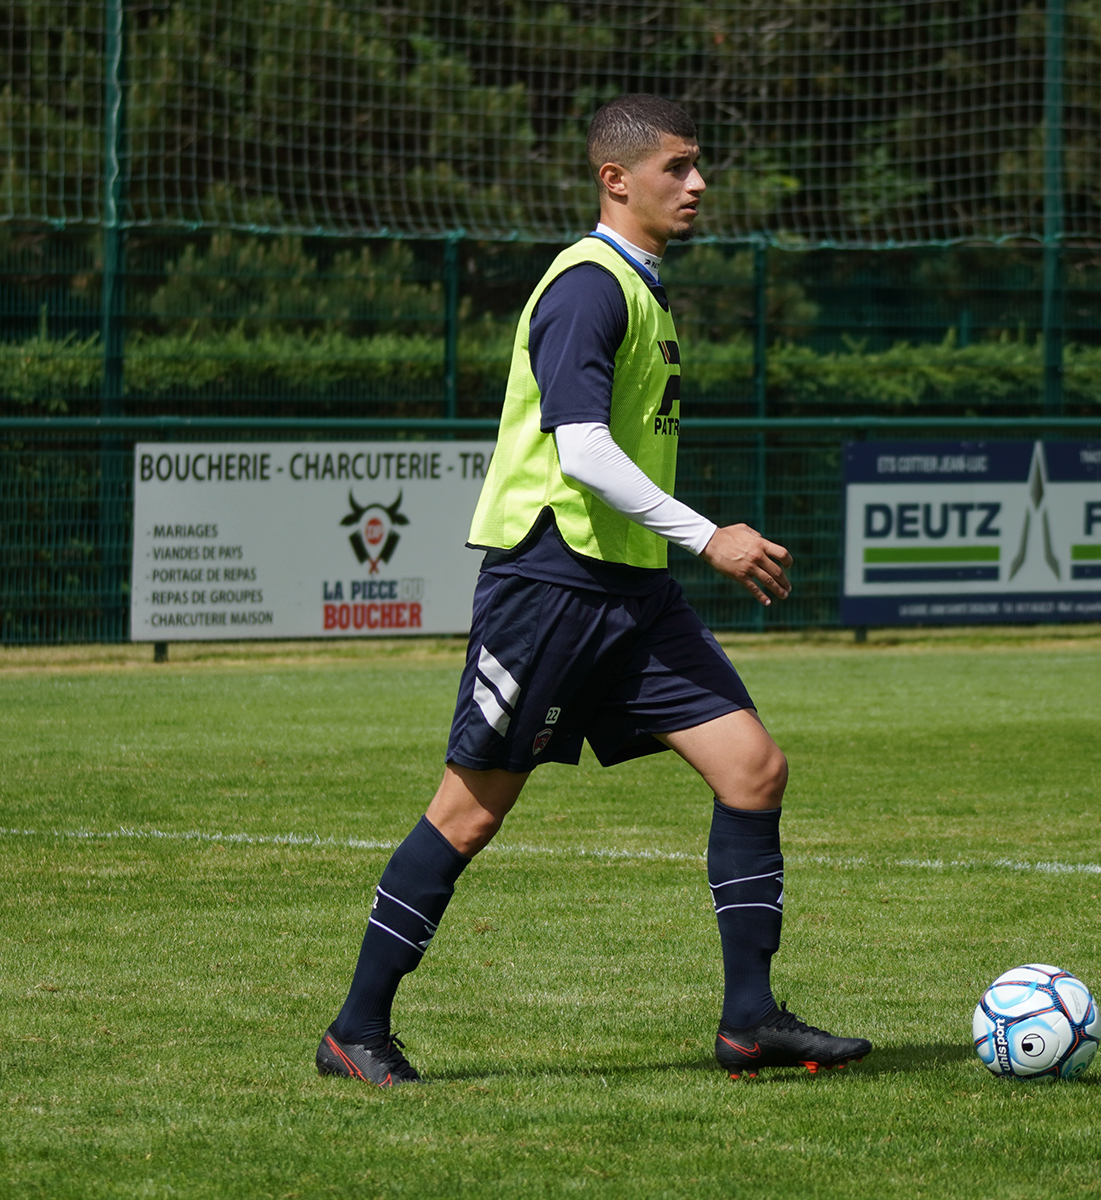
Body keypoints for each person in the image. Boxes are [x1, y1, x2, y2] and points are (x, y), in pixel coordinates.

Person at [315, 94, 872, 1086]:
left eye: (698, 166)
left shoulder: (640, 288)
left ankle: (749, 1020)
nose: (698, 184)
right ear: (615, 179)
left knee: (753, 770)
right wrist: (709, 536)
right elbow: (581, 451)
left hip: (632, 591)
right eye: (677, 167)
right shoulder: (588, 285)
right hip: (551, 585)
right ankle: (354, 1031)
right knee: (468, 814)